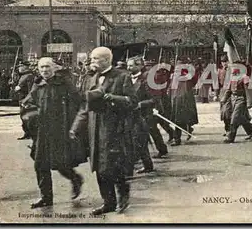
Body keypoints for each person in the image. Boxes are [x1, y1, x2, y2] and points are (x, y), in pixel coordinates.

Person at [70, 47, 138, 215]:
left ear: (107, 60)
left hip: (114, 129)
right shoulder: (91, 79)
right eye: (92, 59)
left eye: (96, 59)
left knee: (113, 166)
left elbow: (133, 102)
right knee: (99, 167)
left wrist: (112, 98)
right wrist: (75, 128)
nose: (92, 62)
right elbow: (85, 107)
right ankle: (108, 202)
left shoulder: (122, 77)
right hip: (95, 130)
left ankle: (123, 195)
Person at [20, 57, 86, 209]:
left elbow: (78, 102)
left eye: (47, 67)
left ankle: (76, 179)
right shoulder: (38, 84)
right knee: (40, 164)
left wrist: (74, 127)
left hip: (60, 130)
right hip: (42, 132)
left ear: (54, 68)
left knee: (59, 163)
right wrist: (29, 113)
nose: (44, 70)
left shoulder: (64, 83)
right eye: (42, 67)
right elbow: (29, 101)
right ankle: (46, 198)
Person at [127, 58, 155, 174]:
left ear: (138, 66)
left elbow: (153, 100)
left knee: (140, 142)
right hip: (129, 116)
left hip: (142, 116)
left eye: (131, 66)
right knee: (132, 142)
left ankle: (146, 165)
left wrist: (140, 104)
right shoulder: (126, 80)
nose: (128, 68)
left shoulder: (145, 80)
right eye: (128, 66)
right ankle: (145, 165)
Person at [223, 61, 252, 143]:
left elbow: (249, 90)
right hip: (233, 99)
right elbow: (229, 89)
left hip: (241, 99)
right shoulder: (233, 77)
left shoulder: (245, 78)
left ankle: (231, 137)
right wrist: (224, 98)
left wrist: (249, 102)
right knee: (241, 118)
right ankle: (251, 132)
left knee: (235, 118)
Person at [170, 56, 199, 146]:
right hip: (176, 97)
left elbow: (194, 80)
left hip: (186, 97)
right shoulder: (174, 75)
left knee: (184, 117)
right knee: (177, 118)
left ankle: (186, 130)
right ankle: (178, 138)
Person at [15, 61, 35, 140]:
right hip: (21, 99)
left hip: (25, 100)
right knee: (23, 117)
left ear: (25, 67)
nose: (19, 68)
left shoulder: (29, 76)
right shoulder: (23, 76)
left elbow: (31, 90)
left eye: (21, 66)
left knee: (27, 117)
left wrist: (28, 101)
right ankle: (27, 133)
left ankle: (30, 133)